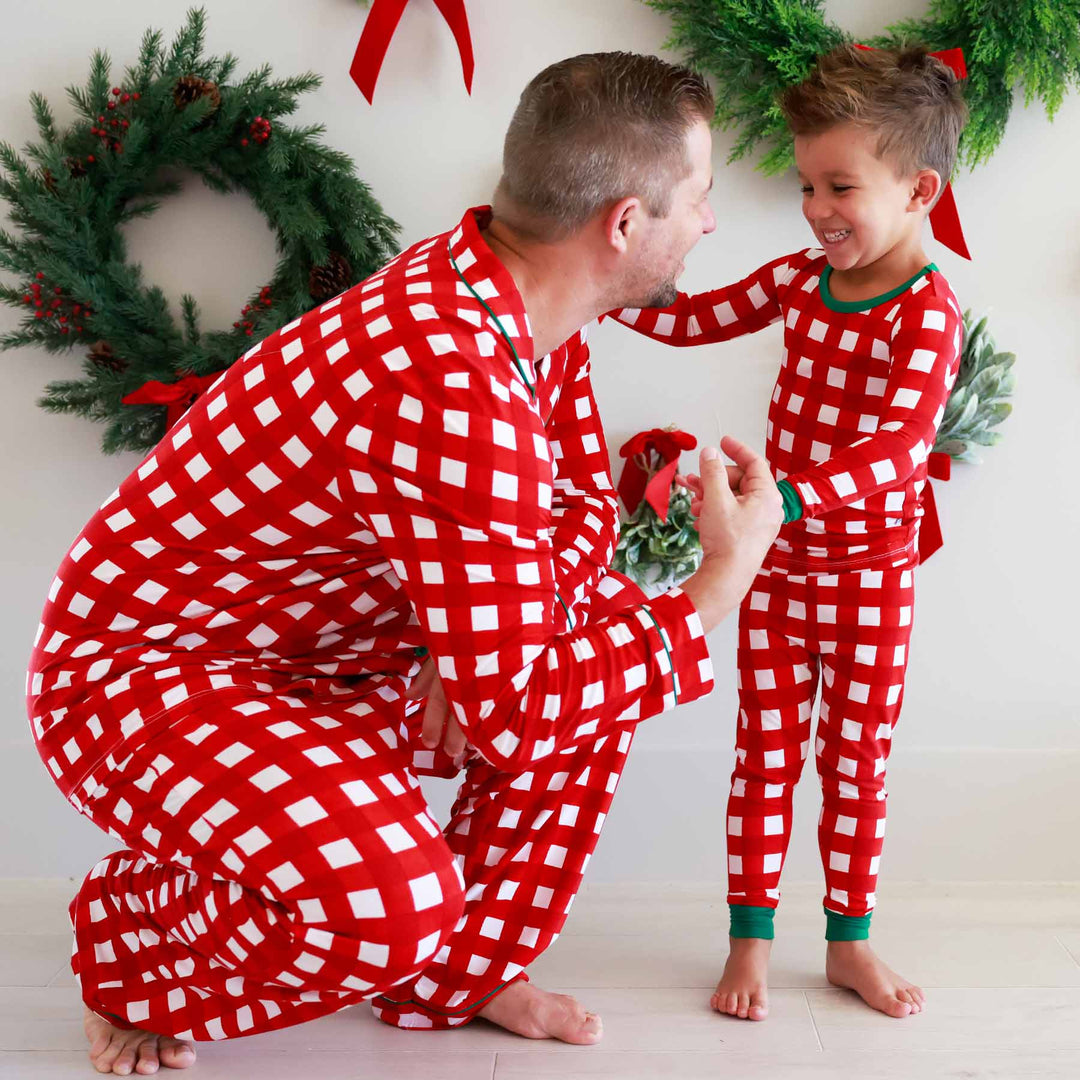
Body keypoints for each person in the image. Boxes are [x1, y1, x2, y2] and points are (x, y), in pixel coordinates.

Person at [26, 52, 782, 1075]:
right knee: (391, 896)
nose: (707, 224)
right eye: (696, 200)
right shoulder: (450, 373)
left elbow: (557, 517)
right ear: (622, 224)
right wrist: (716, 589)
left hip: (319, 658)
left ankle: (451, 978)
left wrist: (459, 632)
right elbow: (517, 699)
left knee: (591, 643)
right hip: (140, 680)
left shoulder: (521, 307)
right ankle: (136, 941)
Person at [612, 44, 968, 1022]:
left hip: (868, 582)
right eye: (809, 182)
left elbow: (900, 451)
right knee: (763, 757)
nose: (815, 207)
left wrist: (790, 501)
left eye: (839, 185)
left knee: (855, 765)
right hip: (777, 575)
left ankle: (850, 941)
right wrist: (612, 289)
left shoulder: (926, 314)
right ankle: (750, 944)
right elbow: (698, 319)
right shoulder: (803, 280)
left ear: (919, 189)